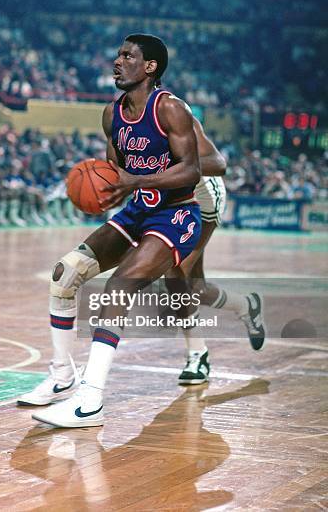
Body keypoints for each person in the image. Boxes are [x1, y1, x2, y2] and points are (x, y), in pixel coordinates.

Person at [19, 34, 203, 428]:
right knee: (65, 273)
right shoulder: (111, 114)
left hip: (176, 215)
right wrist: (102, 194)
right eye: (118, 55)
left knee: (118, 287)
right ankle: (61, 376)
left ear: (149, 66)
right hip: (138, 211)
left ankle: (90, 402)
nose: (117, 62)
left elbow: (192, 169)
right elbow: (113, 175)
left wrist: (134, 181)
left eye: (127, 56)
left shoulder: (169, 108)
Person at [167, 121, 265, 386]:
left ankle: (197, 355)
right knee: (194, 287)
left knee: (177, 274)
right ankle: (246, 306)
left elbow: (216, 162)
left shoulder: (170, 110)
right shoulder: (121, 119)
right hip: (171, 193)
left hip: (203, 195)